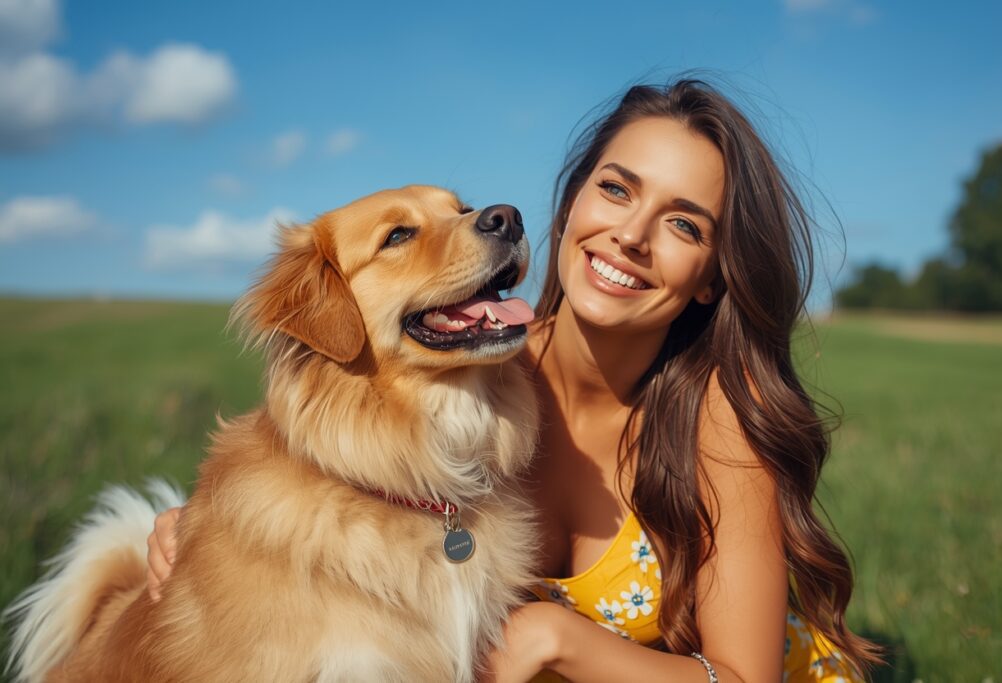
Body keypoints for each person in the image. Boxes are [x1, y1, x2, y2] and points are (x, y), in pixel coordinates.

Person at [146, 78, 882, 682]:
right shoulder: (472, 383)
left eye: (684, 225)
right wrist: (206, 534)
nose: (631, 234)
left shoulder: (716, 417)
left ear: (711, 282)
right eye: (617, 190)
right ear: (572, 205)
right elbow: (321, 447)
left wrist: (561, 639)